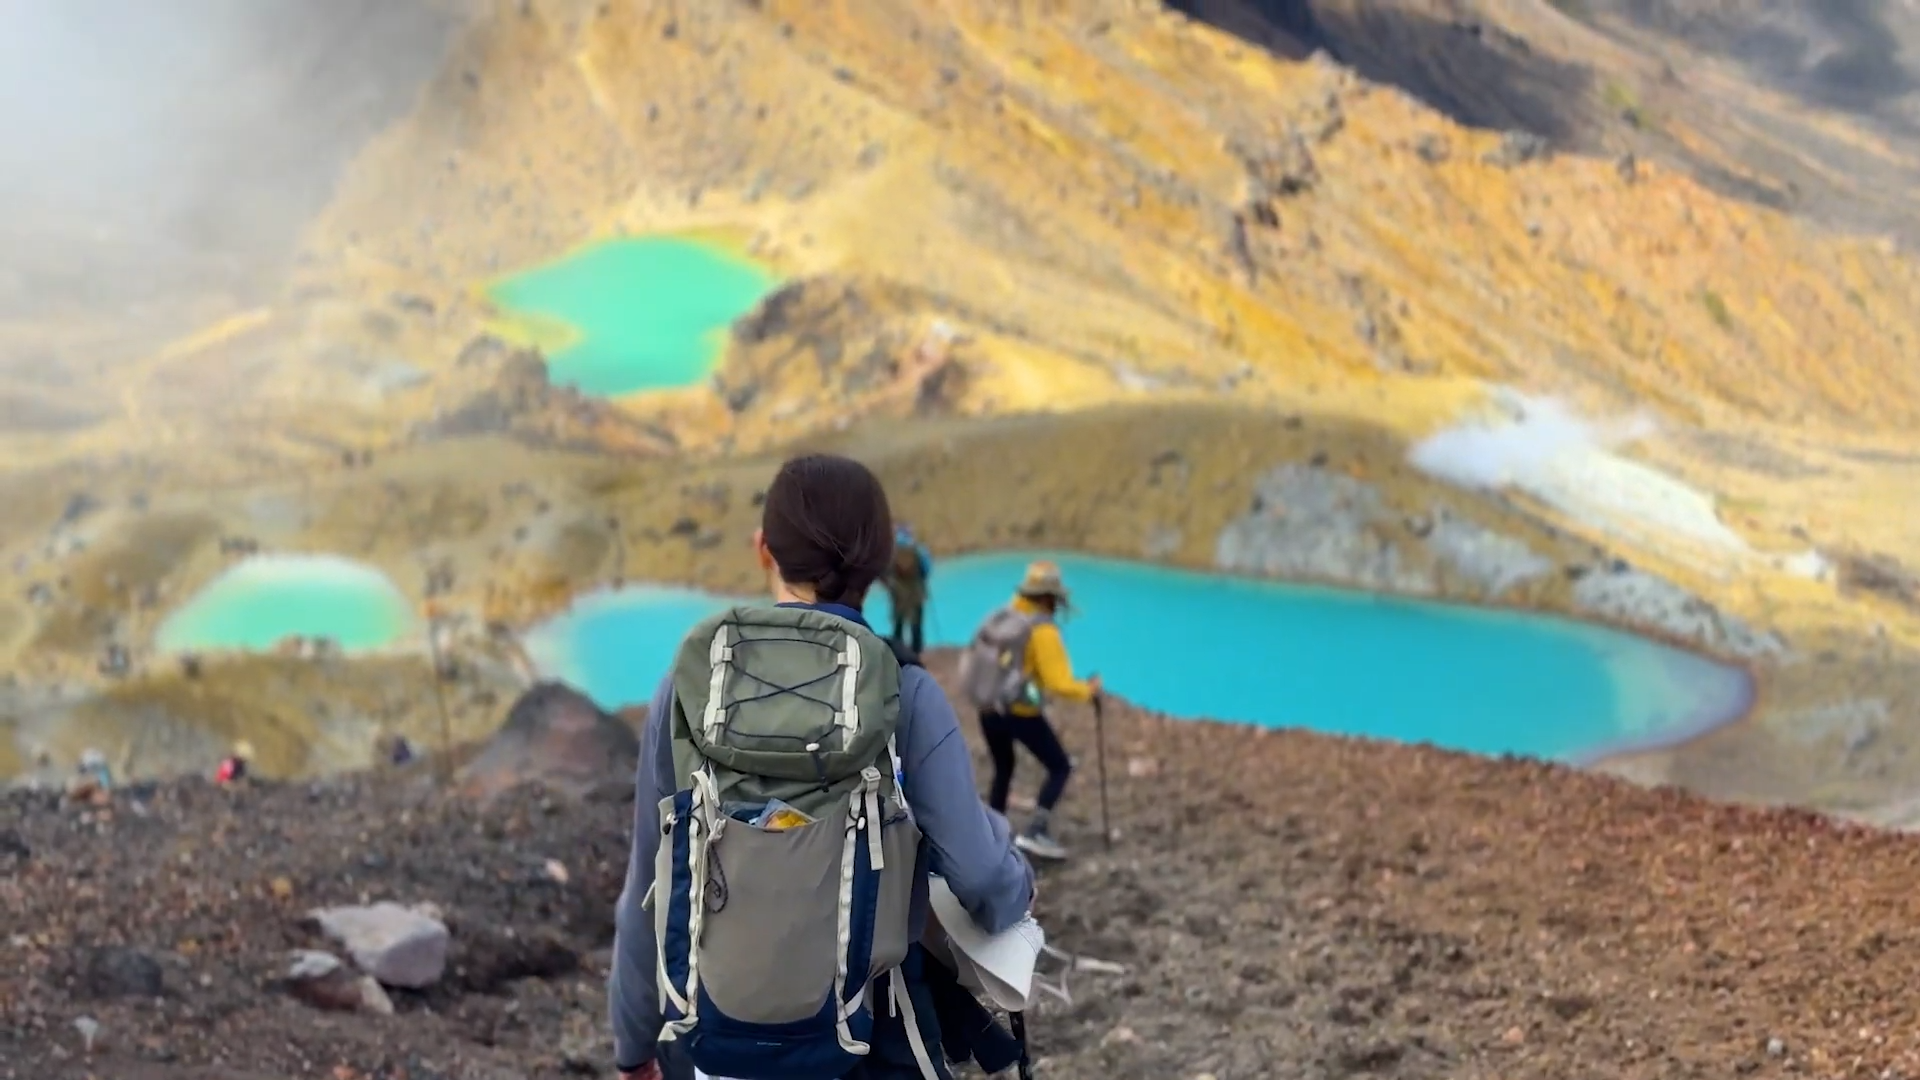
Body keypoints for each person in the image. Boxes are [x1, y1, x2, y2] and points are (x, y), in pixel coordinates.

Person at [610, 454, 1034, 1080]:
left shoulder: (685, 692)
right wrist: (1016, 884)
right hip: (869, 1043)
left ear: (763, 548)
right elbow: (980, 873)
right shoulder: (905, 692)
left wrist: (633, 1044)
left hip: (720, 1044)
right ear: (880, 564)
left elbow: (649, 886)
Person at [958, 561, 1101, 862]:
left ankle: (991, 833)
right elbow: (1058, 682)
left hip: (989, 707)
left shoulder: (1006, 615)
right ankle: (1036, 831)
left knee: (1004, 766)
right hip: (1019, 711)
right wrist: (1088, 691)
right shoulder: (1042, 630)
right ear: (1050, 597)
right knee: (1059, 766)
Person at [883, 522, 932, 657]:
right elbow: (926, 569)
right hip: (916, 591)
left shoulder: (891, 550)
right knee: (916, 623)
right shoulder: (917, 549)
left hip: (897, 592)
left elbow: (885, 571)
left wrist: (889, 585)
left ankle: (897, 651)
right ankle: (917, 651)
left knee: (898, 623)